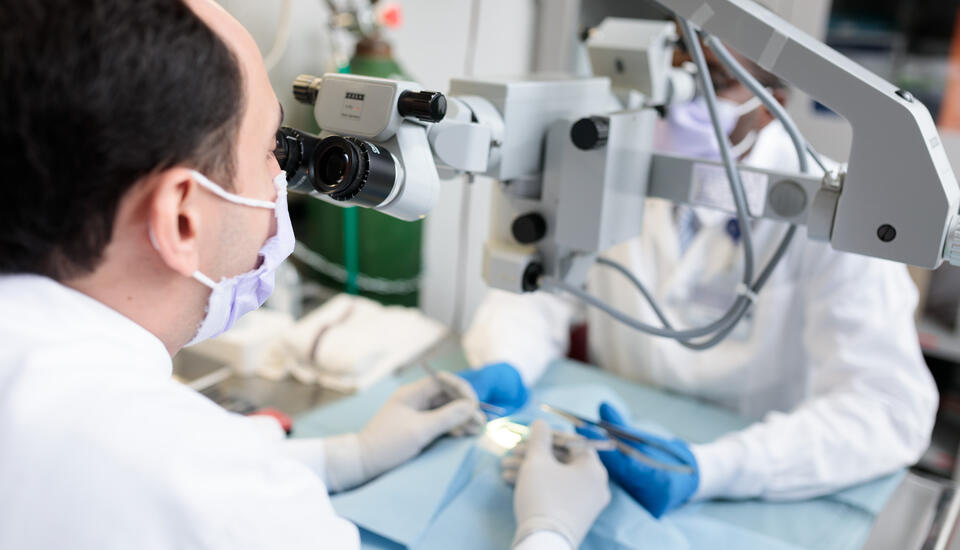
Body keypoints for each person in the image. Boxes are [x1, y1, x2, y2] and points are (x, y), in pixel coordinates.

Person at [0, 1, 608, 549]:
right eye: (271, 147)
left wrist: (347, 455)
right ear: (183, 217)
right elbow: (193, 483)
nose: (282, 176)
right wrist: (548, 531)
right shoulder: (220, 497)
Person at [461, 36, 938, 518]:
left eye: (717, 80)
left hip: (752, 480)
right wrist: (507, 358)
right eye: (673, 74)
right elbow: (540, 289)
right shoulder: (606, 164)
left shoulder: (838, 208)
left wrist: (713, 468)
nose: (682, 98)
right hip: (597, 447)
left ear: (773, 107)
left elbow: (888, 409)